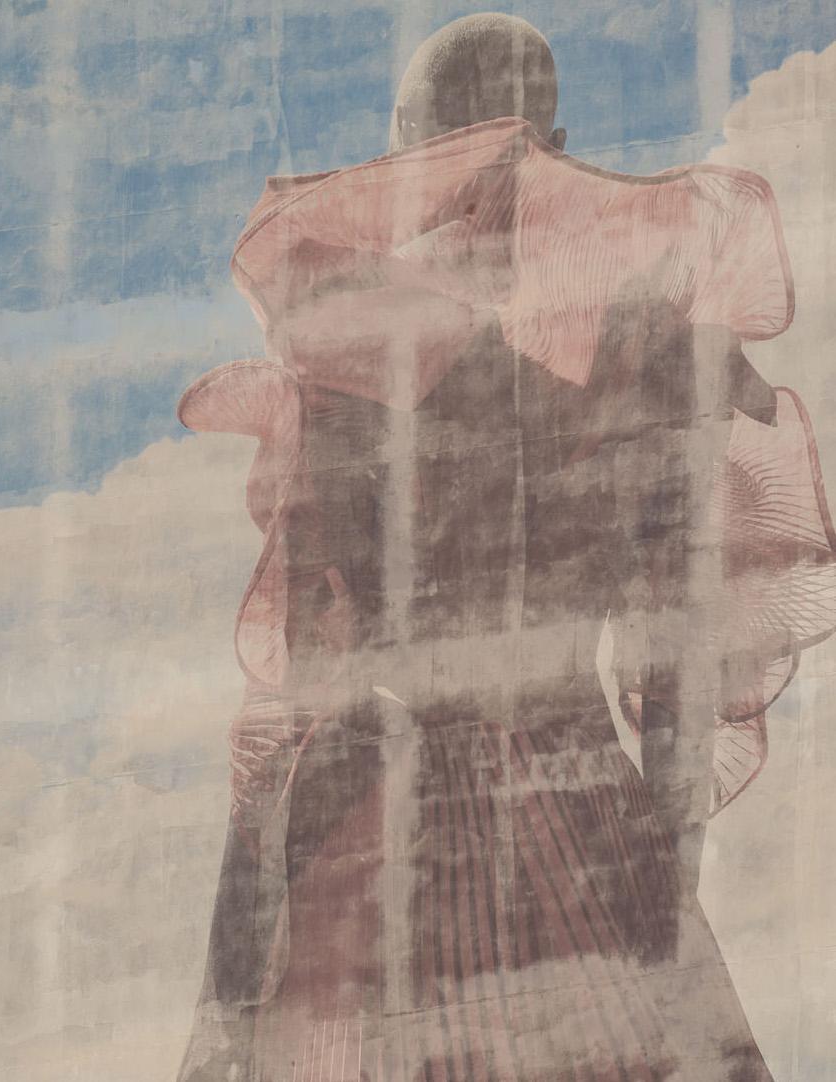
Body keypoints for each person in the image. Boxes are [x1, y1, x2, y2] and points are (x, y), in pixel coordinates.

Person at [177, 14, 836, 1081]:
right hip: (581, 809)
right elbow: (683, 672)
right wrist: (658, 890)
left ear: (402, 147)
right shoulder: (657, 370)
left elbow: (314, 659)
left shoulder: (349, 360)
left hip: (387, 820)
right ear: (556, 138)